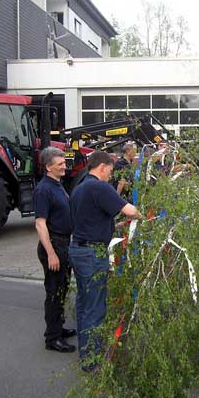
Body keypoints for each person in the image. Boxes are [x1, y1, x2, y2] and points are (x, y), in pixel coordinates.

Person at [68, 150, 142, 372]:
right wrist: (143, 214)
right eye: (110, 170)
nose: (111, 174)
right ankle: (92, 362)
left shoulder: (80, 188)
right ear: (102, 167)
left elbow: (90, 218)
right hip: (92, 255)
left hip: (78, 249)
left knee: (84, 304)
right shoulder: (99, 186)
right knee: (94, 308)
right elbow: (130, 210)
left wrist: (114, 226)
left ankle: (85, 353)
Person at [34, 147, 76, 353]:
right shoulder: (44, 190)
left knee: (62, 290)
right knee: (54, 292)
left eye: (64, 163)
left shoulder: (57, 185)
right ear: (49, 167)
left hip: (63, 244)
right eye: (60, 164)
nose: (64, 166)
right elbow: (40, 224)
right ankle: (52, 339)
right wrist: (51, 253)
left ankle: (58, 328)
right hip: (54, 245)